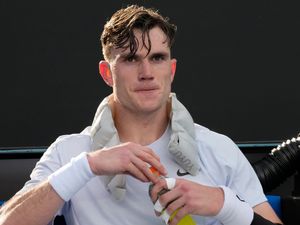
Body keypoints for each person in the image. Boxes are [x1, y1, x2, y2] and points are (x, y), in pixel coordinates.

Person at [0, 4, 283, 225]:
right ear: (106, 74)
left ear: (170, 70)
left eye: (157, 58)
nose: (147, 73)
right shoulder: (70, 153)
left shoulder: (218, 149)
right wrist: (87, 167)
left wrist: (226, 204)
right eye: (131, 59)